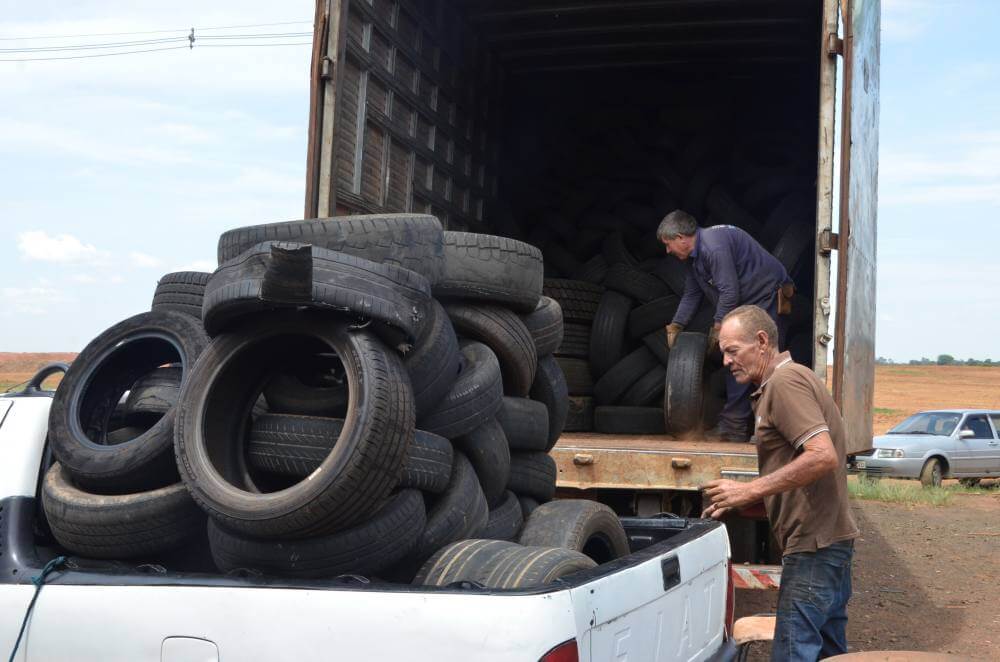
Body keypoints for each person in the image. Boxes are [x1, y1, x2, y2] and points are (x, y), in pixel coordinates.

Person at [702, 305, 858, 662]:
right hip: (827, 542)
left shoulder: (786, 383)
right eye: (723, 352)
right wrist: (755, 502)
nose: (726, 361)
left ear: (761, 342)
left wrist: (748, 489)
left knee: (793, 651)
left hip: (814, 546)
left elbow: (822, 455)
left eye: (732, 350)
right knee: (830, 652)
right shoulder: (783, 383)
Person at [657, 210, 794, 442]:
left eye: (668, 245)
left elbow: (729, 292)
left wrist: (719, 327)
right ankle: (735, 423)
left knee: (748, 358)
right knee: (736, 357)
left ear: (681, 237)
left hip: (766, 294)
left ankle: (742, 429)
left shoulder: (713, 247)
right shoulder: (695, 258)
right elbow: (692, 293)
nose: (667, 251)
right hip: (745, 299)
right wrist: (676, 325)